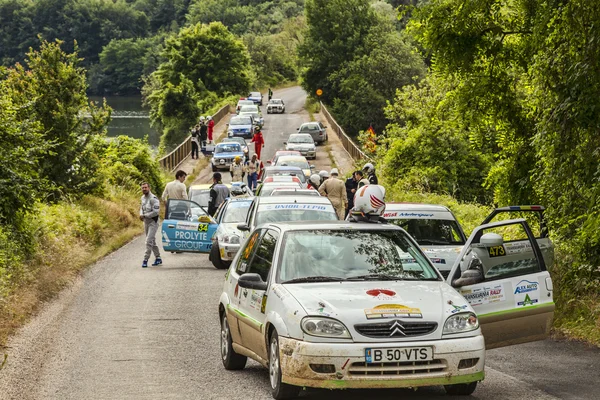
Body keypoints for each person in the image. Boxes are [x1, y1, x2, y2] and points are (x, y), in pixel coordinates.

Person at [139, 182, 162, 268]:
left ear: (149, 188)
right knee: (152, 240)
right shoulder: (142, 198)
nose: (144, 189)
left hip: (153, 222)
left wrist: (145, 215)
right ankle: (158, 258)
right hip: (146, 222)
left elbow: (156, 212)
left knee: (148, 241)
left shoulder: (154, 199)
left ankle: (145, 260)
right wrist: (141, 214)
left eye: (145, 187)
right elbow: (141, 208)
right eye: (143, 188)